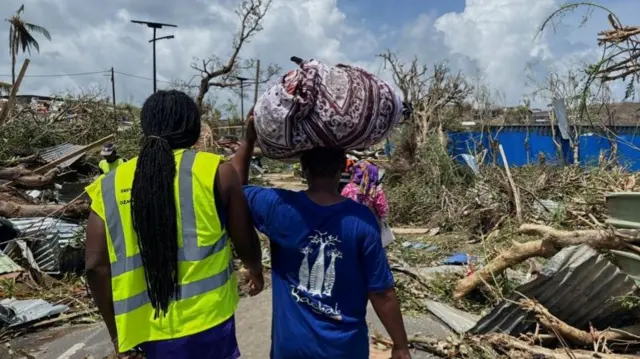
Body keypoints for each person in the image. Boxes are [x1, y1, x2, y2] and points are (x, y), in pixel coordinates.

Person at [84, 90, 264, 359]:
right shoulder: (214, 170)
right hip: (208, 321)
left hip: (144, 331)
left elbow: (95, 268)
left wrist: (118, 336)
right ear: (193, 130)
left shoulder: (108, 185)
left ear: (146, 129)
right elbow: (244, 239)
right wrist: (255, 269)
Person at [231, 115, 411, 359]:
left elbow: (234, 195)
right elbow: (382, 292)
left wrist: (249, 139)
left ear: (303, 168)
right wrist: (400, 344)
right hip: (344, 348)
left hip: (291, 348)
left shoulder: (278, 206)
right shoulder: (361, 220)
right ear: (342, 168)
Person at [341, 160, 394, 247]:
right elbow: (383, 209)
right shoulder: (375, 190)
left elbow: (341, 206)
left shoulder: (348, 188)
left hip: (350, 225)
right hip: (370, 226)